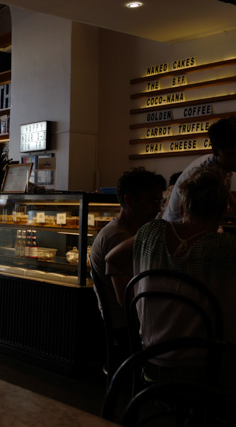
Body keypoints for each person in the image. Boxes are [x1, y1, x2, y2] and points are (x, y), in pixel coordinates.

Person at [107, 167, 236, 362]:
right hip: (207, 368)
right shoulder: (227, 247)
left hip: (150, 359)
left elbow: (111, 259)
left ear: (182, 208)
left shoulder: (151, 232)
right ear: (222, 213)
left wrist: (133, 302)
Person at [89, 167, 164, 359]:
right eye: (153, 201)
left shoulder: (127, 231)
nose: (158, 209)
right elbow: (128, 301)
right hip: (127, 328)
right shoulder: (118, 236)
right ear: (129, 200)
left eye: (160, 202)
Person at [163, 116, 236, 223]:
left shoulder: (224, 166)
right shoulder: (201, 175)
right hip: (179, 228)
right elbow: (200, 218)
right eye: (233, 153)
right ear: (216, 151)